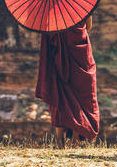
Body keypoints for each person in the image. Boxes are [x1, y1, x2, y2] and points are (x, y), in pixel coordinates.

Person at [35, 16, 99, 148]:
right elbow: (88, 27)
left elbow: (46, 31)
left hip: (57, 55)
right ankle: (75, 140)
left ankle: (60, 141)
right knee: (79, 95)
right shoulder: (82, 5)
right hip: (81, 53)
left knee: (58, 93)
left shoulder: (50, 9)